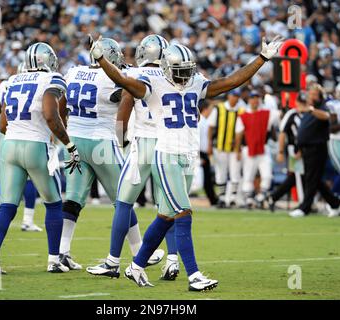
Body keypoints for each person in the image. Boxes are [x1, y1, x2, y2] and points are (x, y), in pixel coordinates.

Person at [90, 35, 283, 290]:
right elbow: (122, 80)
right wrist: (102, 59)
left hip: (188, 155)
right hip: (166, 153)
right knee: (183, 212)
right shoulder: (153, 82)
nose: (184, 77)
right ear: (167, 68)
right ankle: (194, 276)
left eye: (187, 71)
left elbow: (229, 82)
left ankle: (136, 267)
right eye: (179, 72)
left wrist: (262, 59)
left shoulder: (195, 82)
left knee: (166, 216)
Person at [59, 38, 163, 271]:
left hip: (74, 139)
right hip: (101, 142)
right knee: (123, 198)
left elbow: (61, 102)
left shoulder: (74, 72)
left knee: (73, 199)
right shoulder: (113, 77)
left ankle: (61, 252)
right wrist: (123, 139)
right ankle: (140, 251)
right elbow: (125, 92)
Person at [0, 42, 81, 274]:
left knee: (7, 206)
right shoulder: (52, 79)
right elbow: (50, 114)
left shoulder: (12, 80)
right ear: (49, 61)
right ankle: (53, 260)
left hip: (10, 146)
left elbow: (3, 123)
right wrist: (69, 144)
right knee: (54, 203)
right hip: (36, 145)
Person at [86, 35, 177, 281]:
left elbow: (122, 115)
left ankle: (113, 262)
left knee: (123, 202)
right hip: (169, 144)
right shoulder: (174, 76)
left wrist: (121, 141)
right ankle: (172, 261)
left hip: (144, 144)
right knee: (168, 205)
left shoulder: (136, 75)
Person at [0, 64, 41, 231]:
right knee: (30, 178)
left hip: (6, 135)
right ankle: (27, 220)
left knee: (7, 174)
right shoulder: (40, 82)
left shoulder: (6, 84)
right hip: (28, 134)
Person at [290, 84, 340, 218]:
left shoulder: (323, 106)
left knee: (311, 179)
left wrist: (311, 109)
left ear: (320, 96)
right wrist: (300, 148)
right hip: (306, 148)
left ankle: (305, 208)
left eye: (314, 94)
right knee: (315, 179)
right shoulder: (308, 109)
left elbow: (326, 116)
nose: (311, 97)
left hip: (317, 147)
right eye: (310, 94)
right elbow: (304, 131)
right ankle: (335, 203)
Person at [234, 90, 280, 209]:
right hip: (249, 148)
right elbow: (238, 134)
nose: (255, 100)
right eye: (252, 98)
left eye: (256, 98)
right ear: (249, 100)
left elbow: (280, 115)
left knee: (267, 175)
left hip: (263, 148)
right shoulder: (243, 116)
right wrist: (237, 150)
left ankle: (260, 197)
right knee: (248, 175)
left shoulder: (267, 113)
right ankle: (249, 199)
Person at [267, 93, 305, 212]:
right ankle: (303, 203)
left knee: (296, 177)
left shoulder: (309, 113)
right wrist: (281, 151)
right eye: (301, 102)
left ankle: (273, 197)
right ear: (297, 102)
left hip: (306, 149)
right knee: (298, 176)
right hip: (294, 149)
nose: (303, 105)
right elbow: (283, 133)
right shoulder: (292, 114)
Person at [208, 88, 244, 208]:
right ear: (229, 96)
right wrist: (209, 145)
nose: (235, 98)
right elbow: (211, 127)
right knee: (220, 173)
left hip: (235, 148)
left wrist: (239, 147)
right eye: (234, 96)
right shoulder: (219, 108)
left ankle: (233, 198)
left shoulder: (241, 110)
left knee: (235, 173)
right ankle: (222, 198)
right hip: (219, 146)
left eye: (237, 96)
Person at [326, 82, 340, 217]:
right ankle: (332, 199)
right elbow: (331, 128)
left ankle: (338, 201)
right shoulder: (334, 105)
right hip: (336, 141)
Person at [199, 100, 218, 206]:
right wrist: (198, 156)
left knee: (208, 178)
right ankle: (213, 199)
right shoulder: (201, 122)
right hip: (201, 153)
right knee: (206, 178)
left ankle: (213, 199)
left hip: (205, 152)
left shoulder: (205, 121)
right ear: (205, 109)